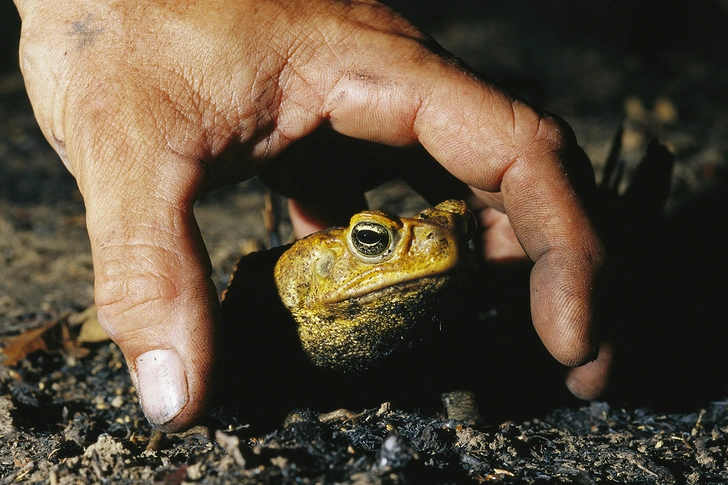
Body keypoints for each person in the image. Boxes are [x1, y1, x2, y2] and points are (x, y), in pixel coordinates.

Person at [13, 0, 609, 432]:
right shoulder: (288, 300)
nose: (442, 244)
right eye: (374, 240)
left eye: (461, 225)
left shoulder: (432, 298)